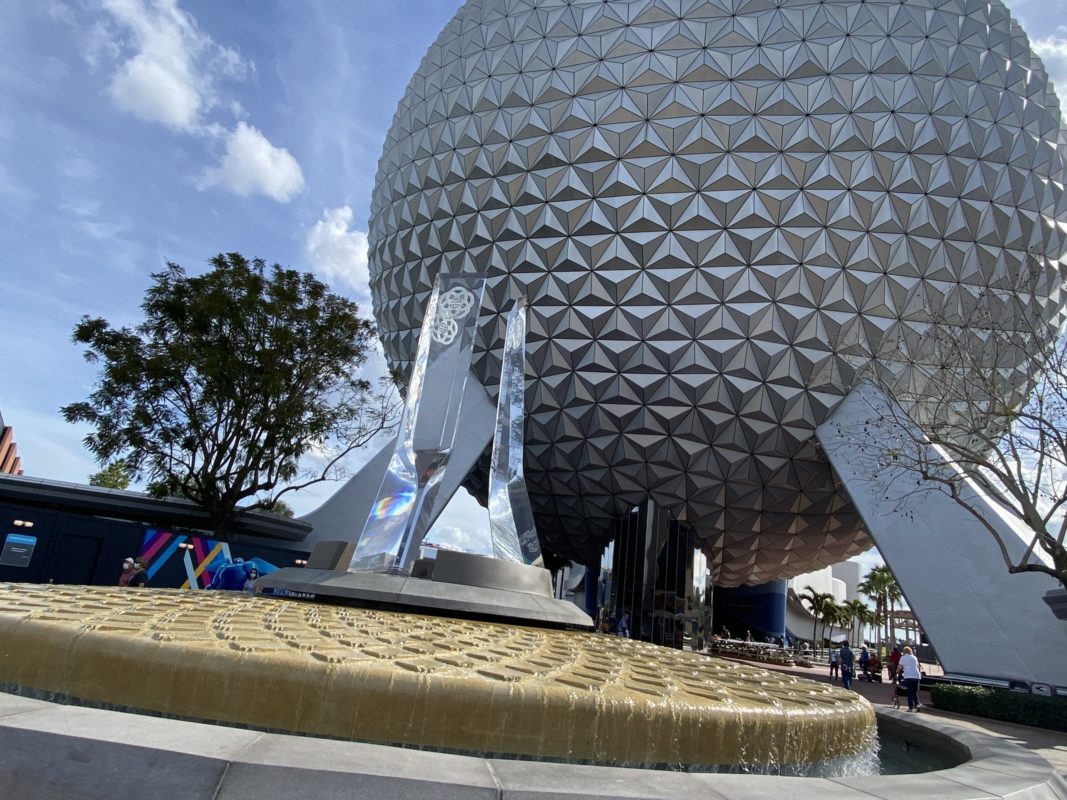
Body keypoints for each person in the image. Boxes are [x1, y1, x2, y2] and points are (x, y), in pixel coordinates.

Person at [899, 645, 922, 711]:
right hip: (916, 676)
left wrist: (896, 672)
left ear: (904, 651)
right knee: (915, 692)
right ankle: (917, 705)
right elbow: (917, 666)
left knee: (910, 692)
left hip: (908, 676)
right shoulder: (914, 657)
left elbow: (899, 667)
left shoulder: (903, 657)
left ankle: (910, 708)